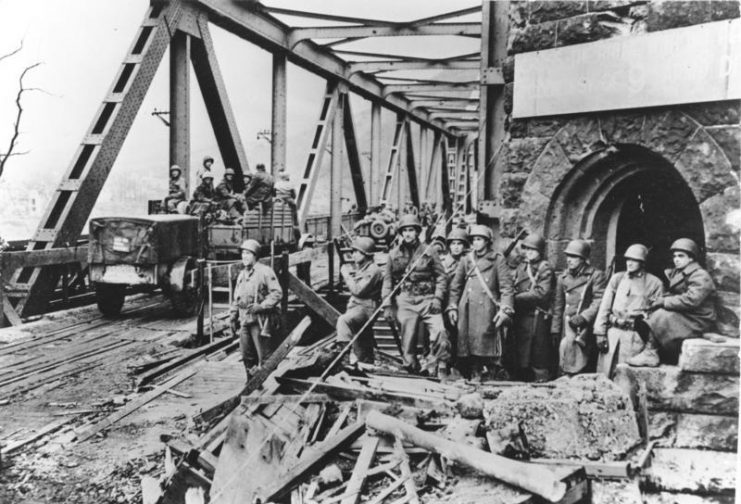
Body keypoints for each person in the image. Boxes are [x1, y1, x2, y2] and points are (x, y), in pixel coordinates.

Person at [629, 238, 717, 367]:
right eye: (675, 256)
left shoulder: (700, 275)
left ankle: (651, 353)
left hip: (699, 318)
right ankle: (656, 352)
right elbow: (675, 294)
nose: (676, 259)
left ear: (691, 258)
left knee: (661, 316)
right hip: (687, 314)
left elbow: (692, 300)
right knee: (646, 317)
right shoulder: (679, 272)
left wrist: (663, 301)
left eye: (681, 256)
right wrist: (656, 301)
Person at [382, 214, 450, 377]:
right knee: (408, 338)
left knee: (439, 331)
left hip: (427, 299)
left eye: (411, 230)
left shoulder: (429, 251)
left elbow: (441, 276)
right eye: (404, 230)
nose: (407, 234)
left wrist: (437, 298)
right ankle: (412, 367)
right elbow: (388, 281)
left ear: (417, 232)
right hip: (406, 299)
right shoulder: (393, 254)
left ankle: (437, 363)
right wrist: (387, 306)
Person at [448, 225, 515, 381]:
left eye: (479, 239)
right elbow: (456, 287)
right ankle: (473, 372)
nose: (476, 243)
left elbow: (506, 287)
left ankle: (489, 372)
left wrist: (505, 309)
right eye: (473, 240)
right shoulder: (466, 260)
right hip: (467, 308)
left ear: (487, 241)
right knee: (467, 342)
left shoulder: (497, 260)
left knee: (485, 341)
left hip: (487, 308)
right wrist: (452, 306)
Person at [593, 244, 664, 372]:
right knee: (605, 374)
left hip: (635, 338)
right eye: (628, 259)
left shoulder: (655, 283)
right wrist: (600, 333)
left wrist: (650, 345)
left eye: (634, 260)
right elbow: (605, 306)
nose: (629, 263)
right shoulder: (617, 278)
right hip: (613, 334)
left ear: (642, 262)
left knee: (627, 380)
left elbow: (657, 318)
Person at [229, 239, 283, 382]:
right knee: (247, 355)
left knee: (264, 356)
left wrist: (262, 306)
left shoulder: (265, 272)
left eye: (248, 253)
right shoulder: (242, 275)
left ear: (255, 255)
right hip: (245, 320)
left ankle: (267, 384)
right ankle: (251, 383)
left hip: (260, 321)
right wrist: (232, 317)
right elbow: (236, 298)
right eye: (243, 254)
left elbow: (277, 293)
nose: (244, 257)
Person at [550, 239, 606, 376]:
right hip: (567, 325)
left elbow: (599, 300)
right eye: (568, 256)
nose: (569, 260)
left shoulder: (595, 275)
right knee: (565, 357)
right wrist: (555, 329)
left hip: (584, 328)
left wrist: (584, 317)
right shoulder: (563, 277)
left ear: (583, 259)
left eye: (574, 257)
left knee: (582, 363)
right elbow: (558, 305)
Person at [510, 234, 556, 382]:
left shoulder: (545, 268)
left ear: (540, 251)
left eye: (533, 250)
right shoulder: (522, 266)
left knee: (538, 356)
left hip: (537, 318)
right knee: (520, 356)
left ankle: (541, 384)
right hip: (521, 317)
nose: (529, 252)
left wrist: (516, 298)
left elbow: (541, 294)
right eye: (527, 249)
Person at [336, 237, 383, 366]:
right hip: (358, 306)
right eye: (353, 251)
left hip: (366, 307)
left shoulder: (373, 270)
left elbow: (358, 290)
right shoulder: (363, 268)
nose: (353, 255)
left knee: (343, 320)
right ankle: (366, 361)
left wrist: (346, 275)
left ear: (366, 254)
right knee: (361, 340)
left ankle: (343, 358)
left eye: (357, 252)